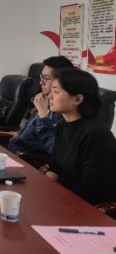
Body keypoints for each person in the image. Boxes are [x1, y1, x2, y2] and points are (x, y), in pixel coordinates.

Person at [45, 69, 116, 205]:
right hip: (63, 198)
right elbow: (54, 168)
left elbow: (90, 189)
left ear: (77, 99)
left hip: (87, 207)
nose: (49, 97)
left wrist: (57, 201)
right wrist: (44, 188)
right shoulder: (62, 125)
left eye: (56, 91)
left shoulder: (96, 134)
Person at [7, 56, 74, 154]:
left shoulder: (64, 110)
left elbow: (54, 149)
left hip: (25, 156)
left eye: (46, 78)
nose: (41, 82)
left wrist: (43, 115)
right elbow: (30, 128)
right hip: (16, 146)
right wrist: (19, 133)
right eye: (41, 77)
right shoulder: (44, 100)